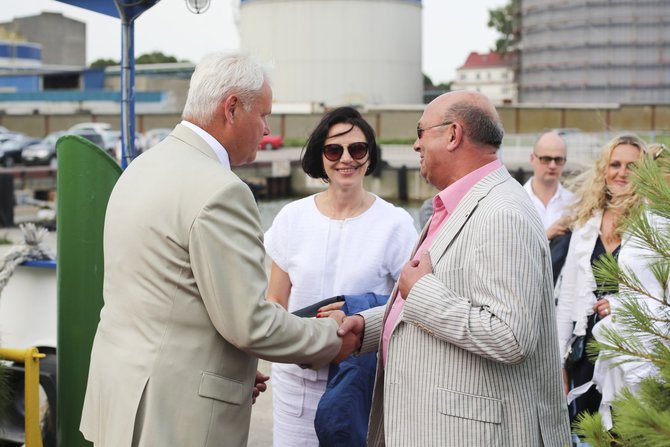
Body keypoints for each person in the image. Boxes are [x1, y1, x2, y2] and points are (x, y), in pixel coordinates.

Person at [79, 51, 355, 447]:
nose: (266, 129)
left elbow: (169, 296)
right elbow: (250, 324)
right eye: (263, 115)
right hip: (177, 417)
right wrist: (332, 339)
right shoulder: (221, 190)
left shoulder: (141, 167)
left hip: (124, 396)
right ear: (231, 108)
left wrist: (236, 370)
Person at [337, 90, 571, 446]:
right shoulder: (458, 205)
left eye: (420, 133)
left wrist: (422, 292)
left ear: (452, 135)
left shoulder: (502, 212)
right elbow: (442, 296)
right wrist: (369, 327)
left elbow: (510, 335)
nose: (415, 146)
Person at [264, 106, 417, 446]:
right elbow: (275, 300)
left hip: (361, 384)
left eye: (357, 149)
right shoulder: (292, 217)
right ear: (320, 156)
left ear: (369, 156)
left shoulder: (396, 224)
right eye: (334, 149)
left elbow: (410, 303)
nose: (346, 158)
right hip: (295, 380)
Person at [554, 134, 648, 424]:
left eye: (631, 166)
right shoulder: (585, 224)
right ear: (603, 170)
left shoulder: (653, 226)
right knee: (585, 434)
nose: (621, 173)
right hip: (585, 353)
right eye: (615, 164)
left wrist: (623, 306)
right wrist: (559, 363)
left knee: (628, 433)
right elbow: (567, 298)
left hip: (631, 354)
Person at [524, 130, 575, 240]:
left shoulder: (574, 204)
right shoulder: (517, 201)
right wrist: (547, 235)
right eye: (546, 159)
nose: (552, 165)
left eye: (558, 159)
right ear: (532, 159)